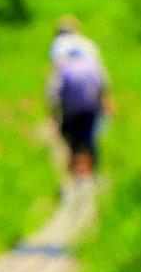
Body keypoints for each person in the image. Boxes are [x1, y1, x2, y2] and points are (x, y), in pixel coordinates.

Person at [46, 16, 110, 179]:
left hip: (70, 99)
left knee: (69, 133)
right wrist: (106, 99)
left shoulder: (58, 45)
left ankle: (75, 169)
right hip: (91, 95)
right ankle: (92, 171)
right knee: (89, 135)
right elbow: (100, 73)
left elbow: (56, 81)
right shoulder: (88, 44)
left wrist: (52, 111)